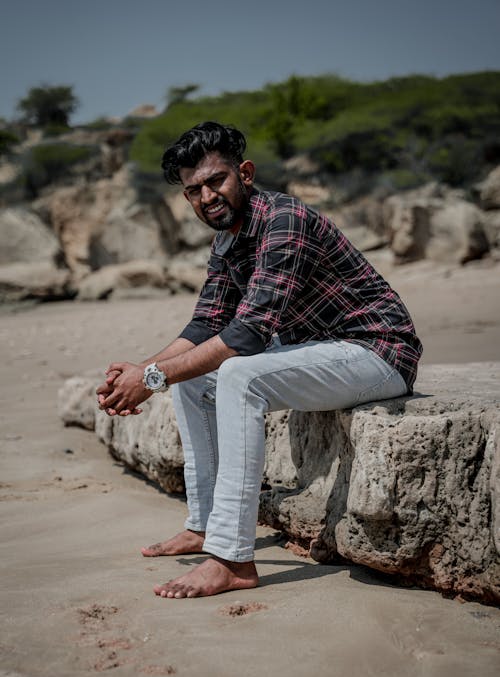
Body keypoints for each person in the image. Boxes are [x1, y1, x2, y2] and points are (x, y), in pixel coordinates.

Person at [97, 121, 422, 599]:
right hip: (317, 350)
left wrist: (149, 378)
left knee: (238, 374)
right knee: (192, 382)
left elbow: (246, 336)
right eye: (194, 190)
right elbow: (205, 326)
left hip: (377, 350)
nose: (206, 196)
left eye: (216, 181)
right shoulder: (227, 240)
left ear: (244, 173)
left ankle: (231, 558)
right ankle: (205, 525)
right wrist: (139, 372)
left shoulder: (283, 218)